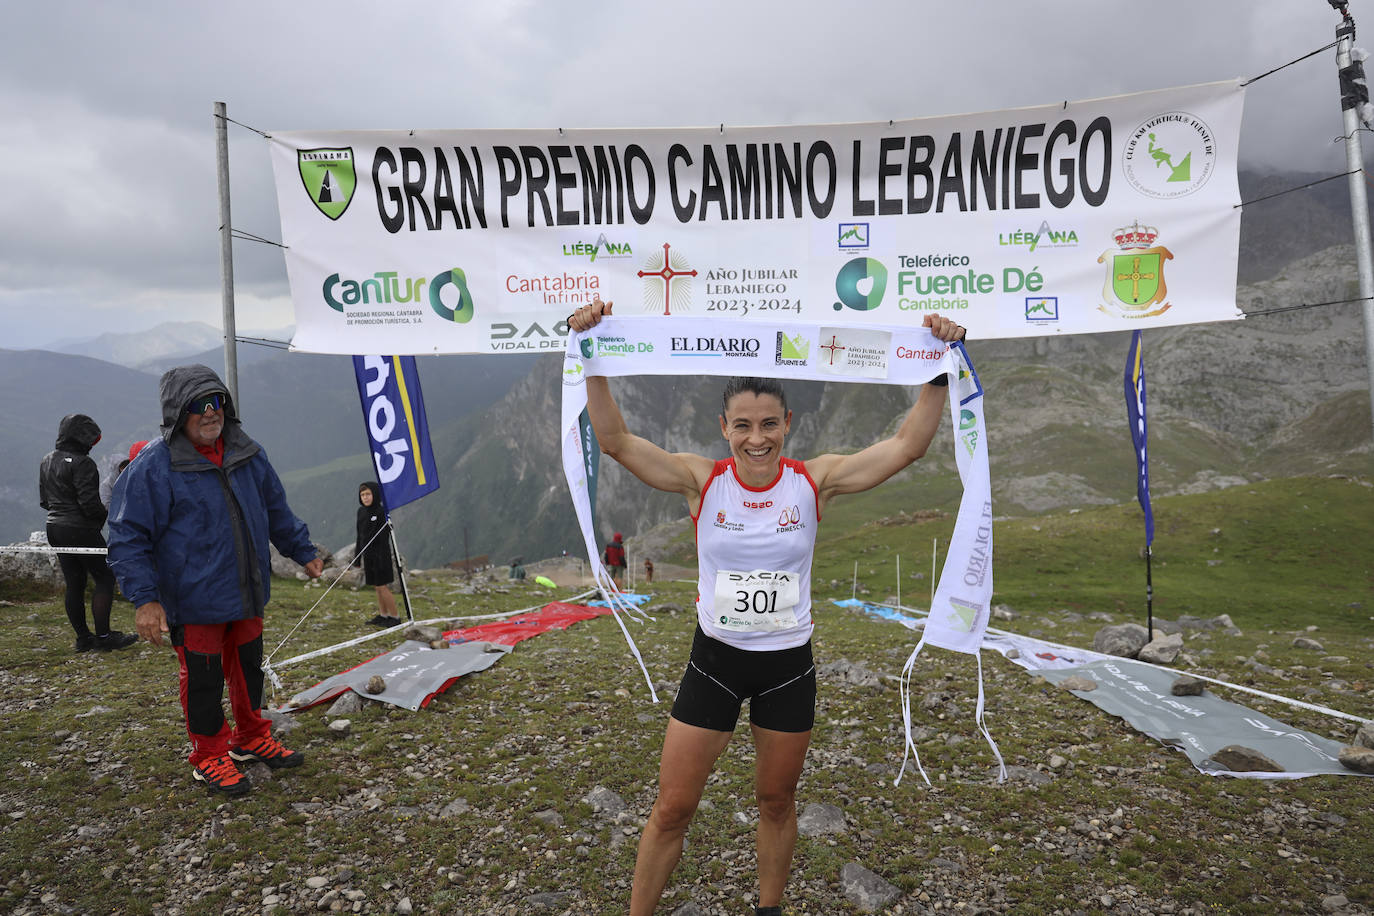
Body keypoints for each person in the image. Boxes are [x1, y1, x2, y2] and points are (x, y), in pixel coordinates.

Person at [569, 300, 966, 916]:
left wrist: (938, 366)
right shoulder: (703, 481)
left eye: (769, 424)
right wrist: (590, 353)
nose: (757, 438)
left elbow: (908, 446)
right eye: (743, 426)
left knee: (777, 803)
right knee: (673, 807)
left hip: (788, 666)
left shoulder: (815, 480)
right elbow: (615, 441)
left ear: (789, 423)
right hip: (715, 662)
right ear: (723, 429)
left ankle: (769, 908)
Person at [107, 365, 324, 797]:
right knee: (204, 681)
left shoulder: (247, 452)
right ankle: (208, 756)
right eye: (198, 406)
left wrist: (302, 549)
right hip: (193, 599)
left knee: (248, 669)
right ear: (176, 413)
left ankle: (250, 737)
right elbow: (127, 535)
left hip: (245, 591)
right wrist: (145, 600)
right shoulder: (155, 466)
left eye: (216, 402)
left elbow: (275, 509)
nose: (211, 413)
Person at [38, 414, 137, 652]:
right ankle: (104, 638)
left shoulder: (46, 460)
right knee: (104, 577)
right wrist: (103, 518)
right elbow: (89, 504)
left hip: (53, 527)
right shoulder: (84, 463)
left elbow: (44, 501)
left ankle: (83, 638)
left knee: (74, 582)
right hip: (79, 527)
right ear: (82, 438)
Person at [355, 481, 400, 627]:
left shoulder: (382, 511)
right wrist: (357, 557)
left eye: (368, 494)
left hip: (380, 555)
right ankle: (383, 615)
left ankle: (395, 617)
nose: (365, 497)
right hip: (368, 556)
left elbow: (383, 536)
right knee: (376, 586)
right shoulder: (360, 512)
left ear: (375, 494)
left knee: (382, 586)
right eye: (362, 495)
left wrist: (380, 557)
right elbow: (359, 536)